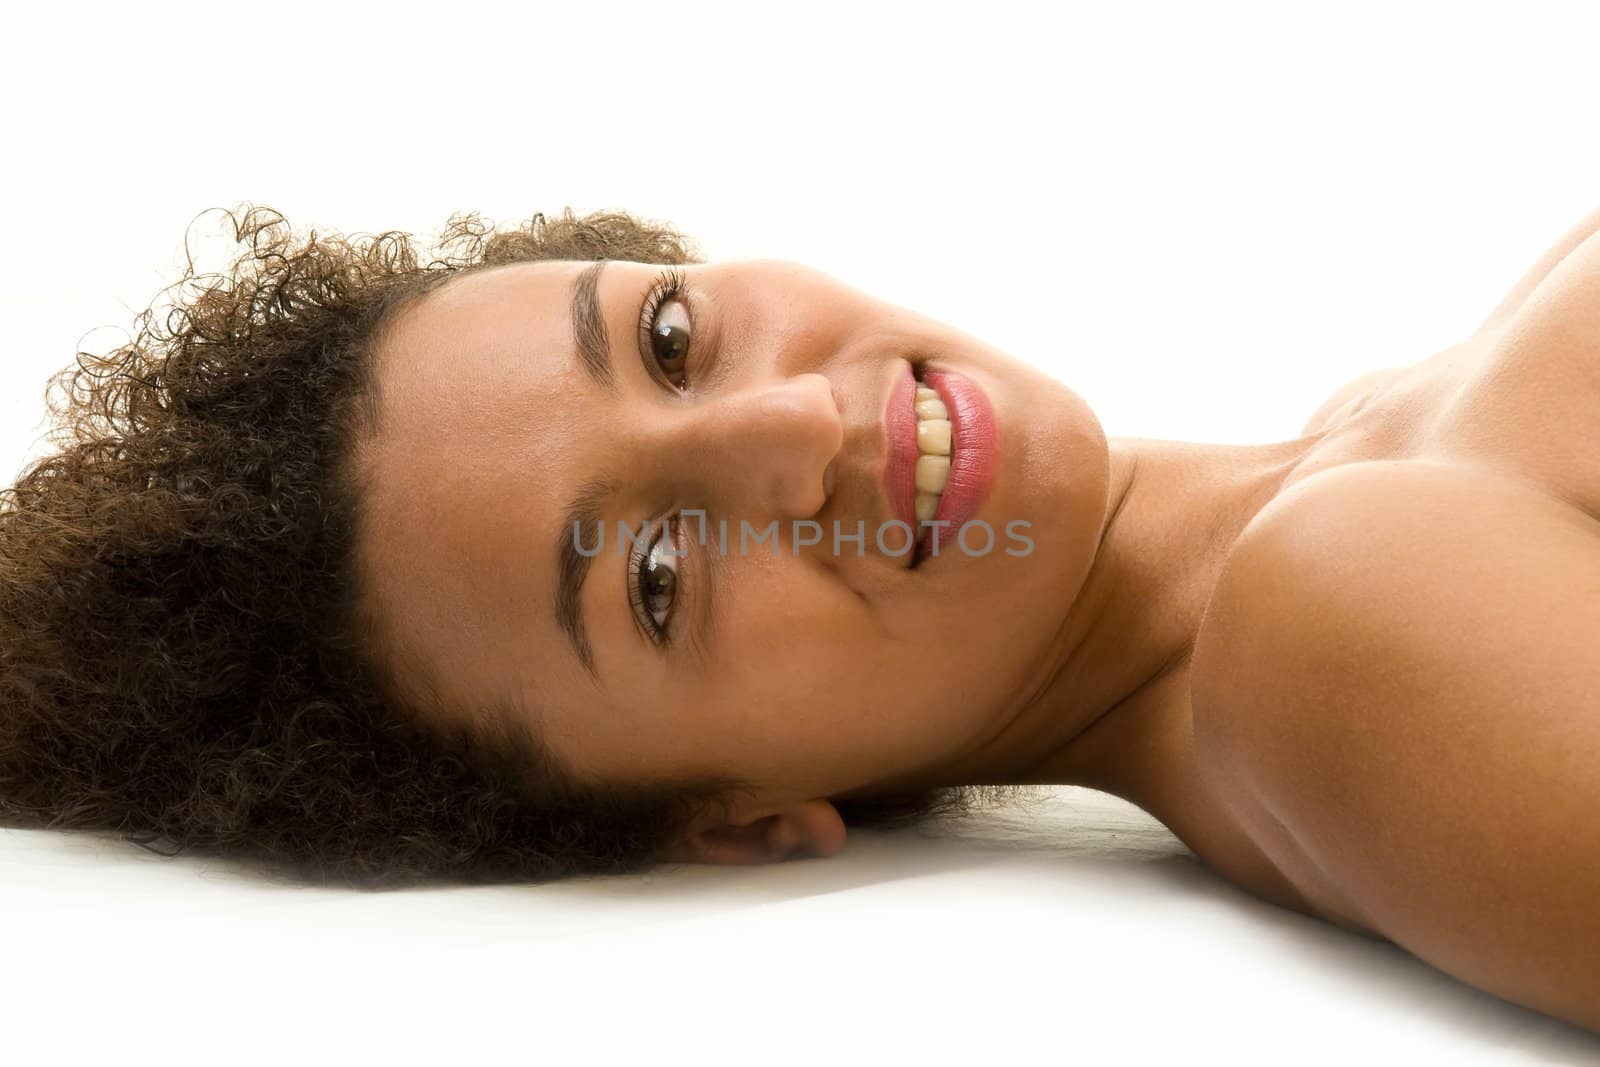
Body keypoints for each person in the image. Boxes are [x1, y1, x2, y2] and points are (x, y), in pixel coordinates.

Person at [1, 203, 1596, 1032]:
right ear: (736, 820)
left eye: (670, 335)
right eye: (655, 580)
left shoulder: (1375, 450)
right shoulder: (1331, 621)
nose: (786, 436)